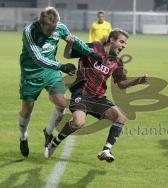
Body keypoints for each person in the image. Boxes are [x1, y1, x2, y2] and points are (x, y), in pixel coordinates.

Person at [45, 29, 148, 162]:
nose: (123, 46)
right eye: (121, 42)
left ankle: (106, 150)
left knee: (121, 117)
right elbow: (68, 54)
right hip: (80, 93)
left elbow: (121, 83)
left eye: (125, 44)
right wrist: (70, 43)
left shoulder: (117, 62)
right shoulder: (92, 48)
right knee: (78, 122)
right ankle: (54, 143)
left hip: (98, 98)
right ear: (112, 40)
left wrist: (137, 81)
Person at [19, 6, 102, 157]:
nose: (53, 32)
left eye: (55, 29)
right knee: (27, 109)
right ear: (41, 24)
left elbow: (73, 40)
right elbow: (37, 58)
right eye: (50, 30)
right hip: (31, 73)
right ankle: (23, 136)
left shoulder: (60, 27)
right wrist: (61, 66)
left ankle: (48, 132)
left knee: (61, 103)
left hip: (50, 72)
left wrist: (90, 53)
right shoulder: (29, 31)